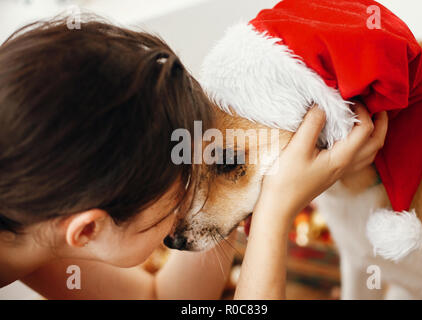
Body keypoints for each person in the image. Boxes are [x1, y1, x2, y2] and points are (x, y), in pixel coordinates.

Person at [0, 17, 387, 299]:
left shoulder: (30, 220)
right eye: (180, 198)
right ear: (87, 231)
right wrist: (275, 212)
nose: (189, 210)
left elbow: (162, 298)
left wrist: (248, 188)